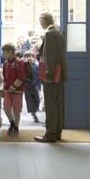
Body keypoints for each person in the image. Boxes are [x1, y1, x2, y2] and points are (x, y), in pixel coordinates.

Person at [34, 12, 67, 143]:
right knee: (58, 104)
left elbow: (50, 57)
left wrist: (47, 75)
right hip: (59, 74)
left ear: (43, 21)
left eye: (40, 21)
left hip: (52, 75)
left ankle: (50, 134)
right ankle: (57, 131)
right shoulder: (58, 31)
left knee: (50, 105)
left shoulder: (49, 34)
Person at [1, 43, 26, 137]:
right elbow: (4, 77)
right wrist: (3, 89)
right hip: (7, 90)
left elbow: (22, 77)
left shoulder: (19, 62)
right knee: (6, 108)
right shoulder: (5, 63)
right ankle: (12, 123)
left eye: (4, 52)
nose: (2, 54)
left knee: (17, 111)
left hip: (17, 91)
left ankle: (16, 128)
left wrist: (14, 86)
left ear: (10, 52)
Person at [23, 51, 41, 123]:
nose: (29, 58)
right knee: (30, 101)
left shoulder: (36, 66)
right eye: (27, 57)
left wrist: (38, 86)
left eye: (31, 56)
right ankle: (34, 114)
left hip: (35, 86)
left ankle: (35, 110)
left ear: (34, 58)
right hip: (27, 86)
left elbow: (38, 77)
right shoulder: (24, 66)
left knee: (37, 100)